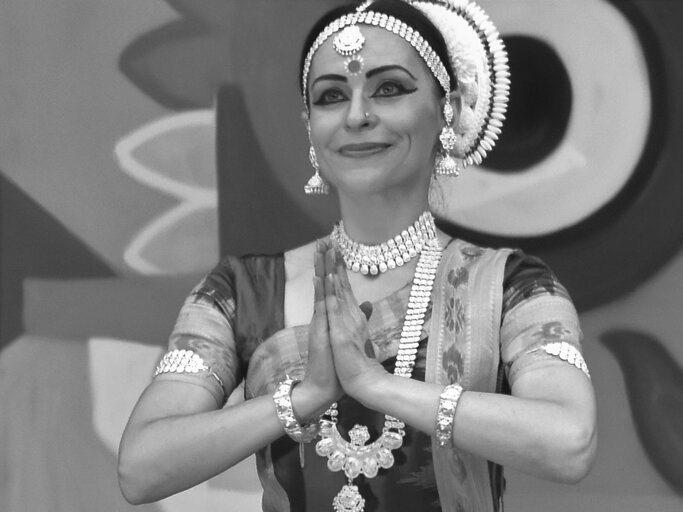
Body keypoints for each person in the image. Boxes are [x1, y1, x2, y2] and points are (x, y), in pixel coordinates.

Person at [117, 1, 596, 511]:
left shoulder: (510, 285)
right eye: (331, 96)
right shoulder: (243, 291)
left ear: (449, 109)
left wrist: (376, 386)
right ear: (310, 125)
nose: (357, 115)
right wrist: (303, 397)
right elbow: (140, 468)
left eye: (389, 89)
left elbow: (570, 443)